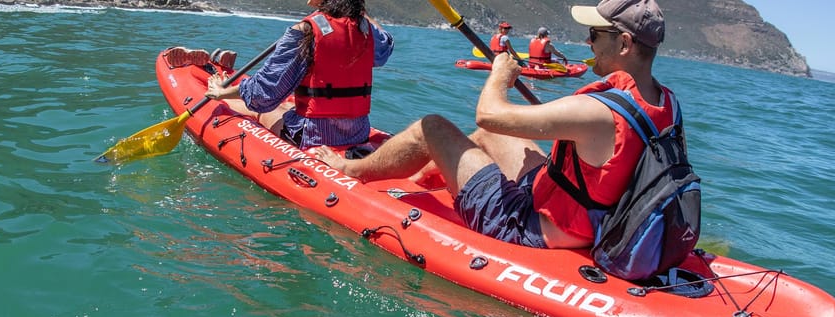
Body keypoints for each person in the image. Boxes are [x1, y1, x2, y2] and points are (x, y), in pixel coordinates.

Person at [314, 0, 677, 250]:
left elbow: (487, 113)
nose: (588, 41)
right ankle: (423, 178)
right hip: (584, 214)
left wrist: (500, 74)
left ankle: (351, 169)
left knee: (432, 128)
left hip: (534, 227)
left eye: (595, 34)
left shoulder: (595, 112)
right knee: (490, 136)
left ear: (624, 43)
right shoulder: (666, 103)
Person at [202, 0, 394, 150]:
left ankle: (220, 98)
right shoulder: (367, 31)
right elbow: (386, 44)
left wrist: (221, 92)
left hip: (313, 136)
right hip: (357, 133)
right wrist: (358, 10)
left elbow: (262, 95)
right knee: (287, 105)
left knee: (258, 110)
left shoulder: (306, 30)